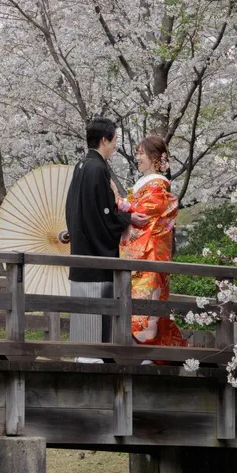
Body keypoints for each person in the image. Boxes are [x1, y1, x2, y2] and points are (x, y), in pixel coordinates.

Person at [64, 118, 146, 362]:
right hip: (95, 256)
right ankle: (94, 355)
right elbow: (103, 214)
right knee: (97, 305)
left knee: (84, 311)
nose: (115, 146)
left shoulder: (81, 165)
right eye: (115, 141)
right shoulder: (97, 169)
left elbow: (78, 209)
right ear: (104, 140)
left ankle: (85, 353)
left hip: (81, 250)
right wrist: (127, 219)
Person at [118, 135, 187, 350]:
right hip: (143, 254)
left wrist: (117, 200)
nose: (137, 158)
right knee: (138, 304)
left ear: (155, 158)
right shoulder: (147, 187)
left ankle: (149, 351)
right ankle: (146, 350)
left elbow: (143, 217)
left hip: (150, 254)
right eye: (137, 153)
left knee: (147, 306)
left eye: (141, 153)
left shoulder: (157, 187)